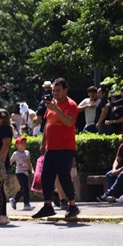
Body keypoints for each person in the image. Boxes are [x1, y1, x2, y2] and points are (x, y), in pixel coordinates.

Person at [31, 78, 81, 220]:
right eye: (53, 90)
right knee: (46, 177)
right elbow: (48, 124)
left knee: (64, 176)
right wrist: (43, 143)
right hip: (50, 148)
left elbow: (69, 122)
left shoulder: (71, 104)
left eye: (58, 90)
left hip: (65, 147)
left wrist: (57, 109)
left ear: (65, 90)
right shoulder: (51, 105)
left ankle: (72, 205)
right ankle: (48, 206)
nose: (55, 93)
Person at [96, 126, 123, 202]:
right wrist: (114, 169)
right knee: (109, 174)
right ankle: (113, 196)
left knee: (122, 174)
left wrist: (119, 170)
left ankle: (108, 194)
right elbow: (117, 159)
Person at [9, 135, 34, 211]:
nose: (24, 144)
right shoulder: (16, 154)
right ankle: (26, 204)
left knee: (23, 188)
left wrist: (32, 170)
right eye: (21, 143)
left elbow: (29, 163)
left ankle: (14, 199)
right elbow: (10, 162)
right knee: (26, 188)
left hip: (25, 172)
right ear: (17, 145)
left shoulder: (27, 153)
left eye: (24, 143)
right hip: (19, 172)